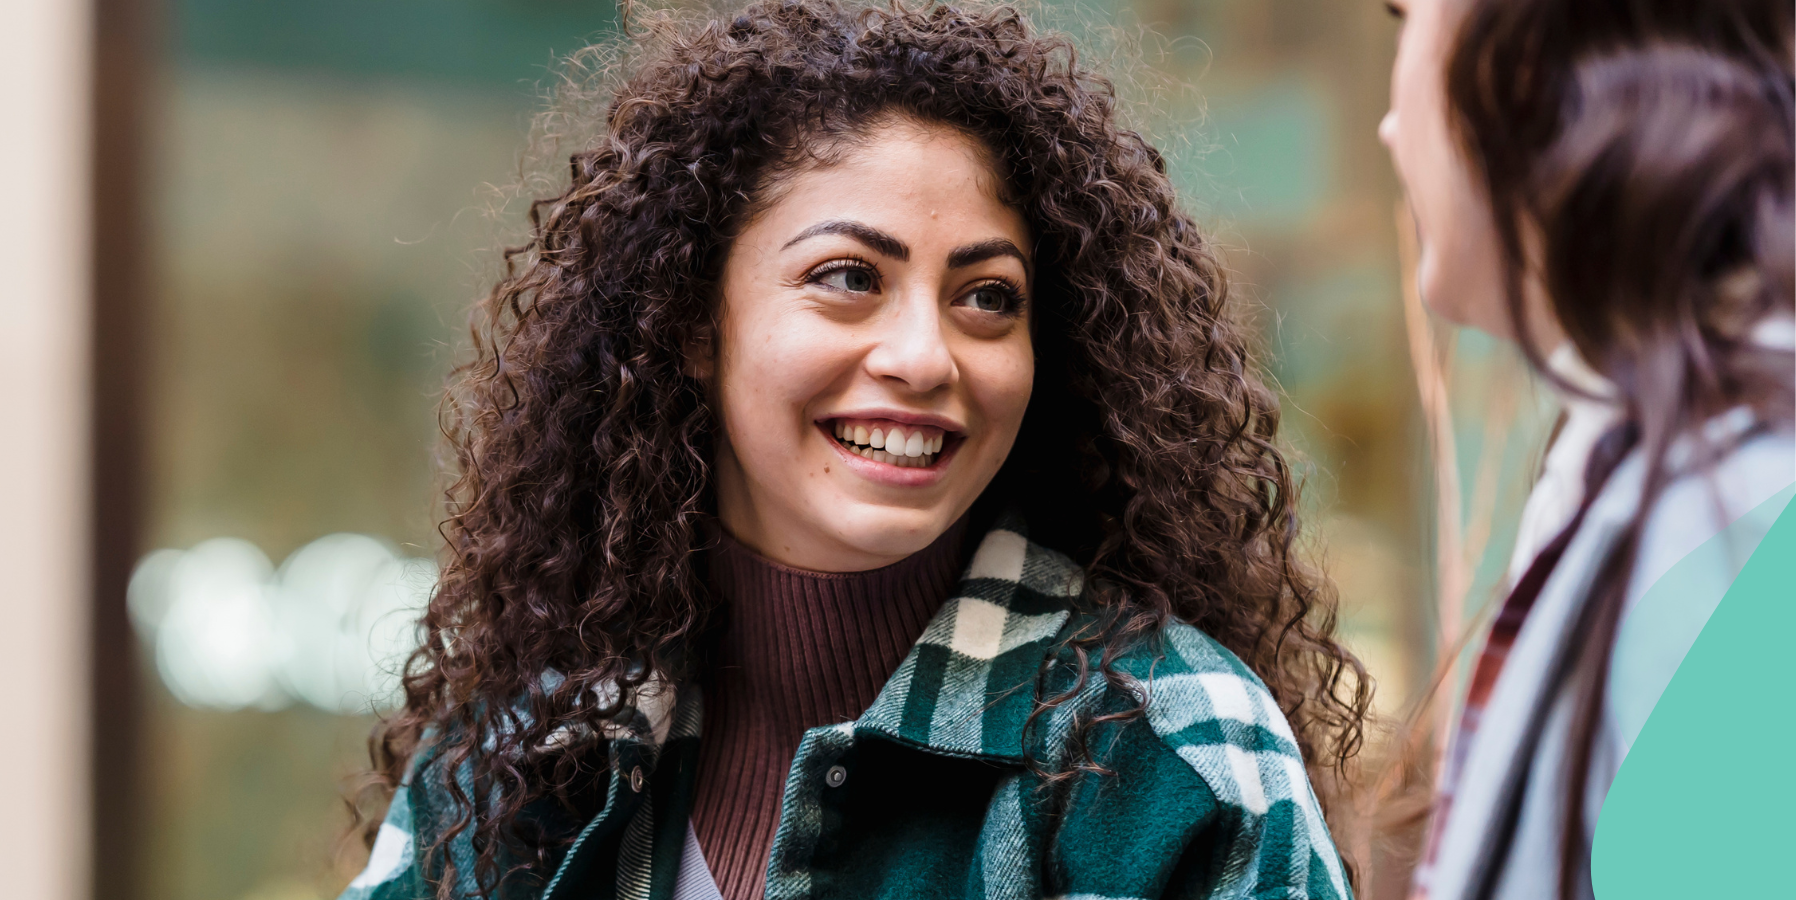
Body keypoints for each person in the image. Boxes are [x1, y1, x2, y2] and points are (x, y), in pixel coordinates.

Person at [343, 2, 1370, 898]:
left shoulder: (1163, 750)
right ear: (695, 323)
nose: (925, 356)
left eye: (987, 299)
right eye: (847, 277)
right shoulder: (519, 768)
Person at [1379, 0, 1794, 898]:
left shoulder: (1746, 506)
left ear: (1533, 49)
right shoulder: (1647, 469)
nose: (1387, 125)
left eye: (1403, 19)